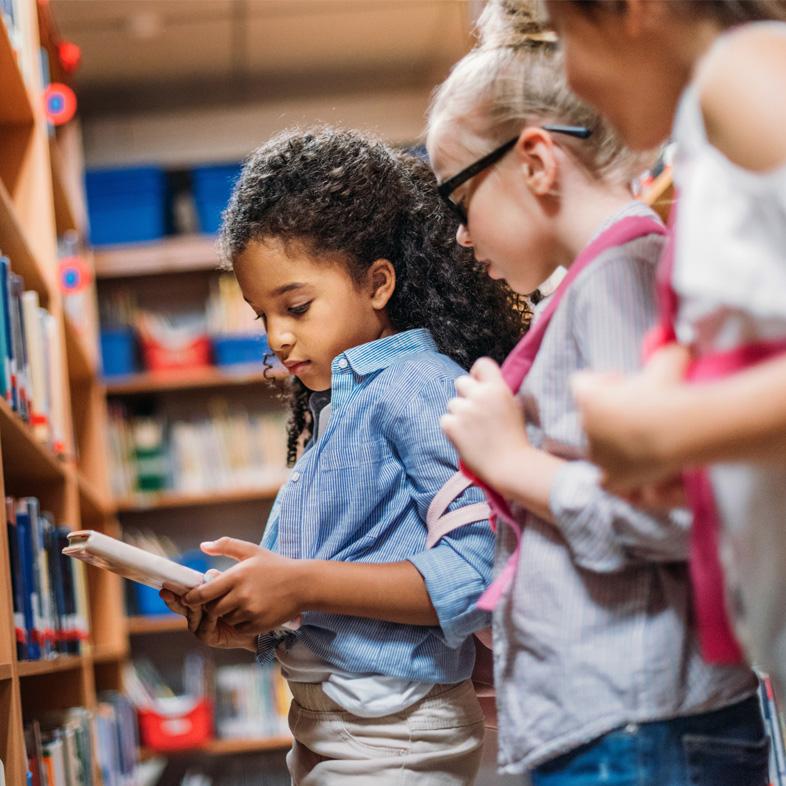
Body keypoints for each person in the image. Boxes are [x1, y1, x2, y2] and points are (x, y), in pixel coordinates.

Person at [426, 3, 765, 783]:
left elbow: (668, 512)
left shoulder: (617, 276)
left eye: (459, 199)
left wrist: (511, 461)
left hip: (640, 723)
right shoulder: (600, 280)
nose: (459, 235)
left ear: (538, 164)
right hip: (624, 719)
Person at [162, 126, 527, 786]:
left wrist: (299, 584)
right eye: (260, 315)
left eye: (296, 306)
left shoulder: (421, 386)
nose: (276, 335)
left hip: (394, 730)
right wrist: (245, 617)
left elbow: (476, 575)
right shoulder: (337, 410)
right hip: (333, 723)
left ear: (377, 284)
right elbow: (327, 599)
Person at [545, 0, 786, 695]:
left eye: (565, 34)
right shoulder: (709, 127)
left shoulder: (742, 73)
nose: (567, 73)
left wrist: (668, 430)